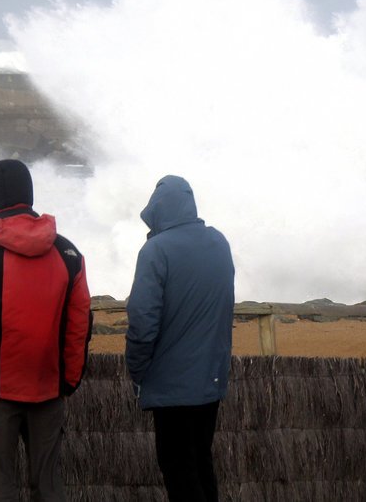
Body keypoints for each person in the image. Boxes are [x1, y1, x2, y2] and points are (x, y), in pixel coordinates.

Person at [0, 159, 92, 500]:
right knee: (49, 487)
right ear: (29, 194)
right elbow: (79, 322)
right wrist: (70, 379)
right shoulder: (68, 253)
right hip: (50, 390)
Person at [125, 175, 235, 502]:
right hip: (211, 380)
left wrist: (137, 370)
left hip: (171, 386)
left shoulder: (155, 251)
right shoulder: (219, 243)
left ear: (157, 210)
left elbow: (143, 321)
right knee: (201, 462)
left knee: (178, 470)